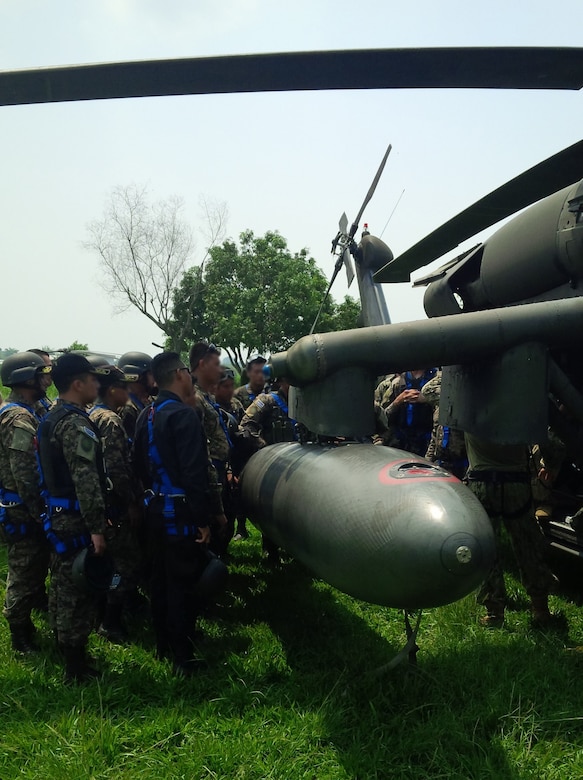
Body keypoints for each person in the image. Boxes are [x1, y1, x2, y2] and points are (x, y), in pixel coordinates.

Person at [132, 351, 212, 675]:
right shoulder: (183, 416)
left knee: (159, 580)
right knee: (181, 582)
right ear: (180, 374)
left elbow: (137, 463)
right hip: (179, 513)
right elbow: (195, 475)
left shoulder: (145, 415)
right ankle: (183, 656)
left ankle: (163, 644)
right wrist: (203, 520)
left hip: (154, 509)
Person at [37, 353, 109, 681]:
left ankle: (71, 654)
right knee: (75, 591)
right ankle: (74, 667)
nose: (98, 384)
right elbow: (86, 479)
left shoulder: (53, 416)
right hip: (76, 519)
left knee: (63, 585)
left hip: (57, 514)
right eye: (93, 379)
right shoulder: (76, 423)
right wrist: (97, 529)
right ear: (78, 384)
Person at [464, 432, 557, 628]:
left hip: (482, 480)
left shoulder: (471, 401)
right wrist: (549, 463)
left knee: (487, 546)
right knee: (528, 544)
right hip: (517, 482)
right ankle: (540, 608)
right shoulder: (521, 402)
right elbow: (549, 435)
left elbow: (438, 402)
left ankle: (494, 612)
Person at [0, 352, 52, 653]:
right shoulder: (18, 418)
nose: (47, 378)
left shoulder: (27, 411)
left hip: (24, 505)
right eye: (41, 372)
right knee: (24, 571)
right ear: (26, 378)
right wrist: (39, 512)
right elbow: (25, 472)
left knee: (34, 568)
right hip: (22, 508)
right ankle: (19, 634)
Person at [89, 365, 142, 643]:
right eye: (125, 387)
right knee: (124, 564)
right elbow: (116, 469)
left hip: (97, 504)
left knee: (106, 562)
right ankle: (110, 621)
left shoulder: (89, 414)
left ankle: (101, 613)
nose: (129, 392)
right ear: (112, 390)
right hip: (114, 507)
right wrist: (131, 501)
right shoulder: (109, 419)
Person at [189, 342, 230, 555]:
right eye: (216, 364)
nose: (220, 369)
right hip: (208, 474)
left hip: (218, 470)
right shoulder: (194, 400)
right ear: (202, 365)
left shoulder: (206, 397)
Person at [381, 369, 437, 456]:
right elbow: (382, 419)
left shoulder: (436, 381)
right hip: (398, 445)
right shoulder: (394, 384)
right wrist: (398, 401)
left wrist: (428, 399)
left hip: (426, 445)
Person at [118, 351, 156, 440]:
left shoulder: (147, 402)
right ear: (135, 376)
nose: (154, 379)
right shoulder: (127, 408)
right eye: (150, 374)